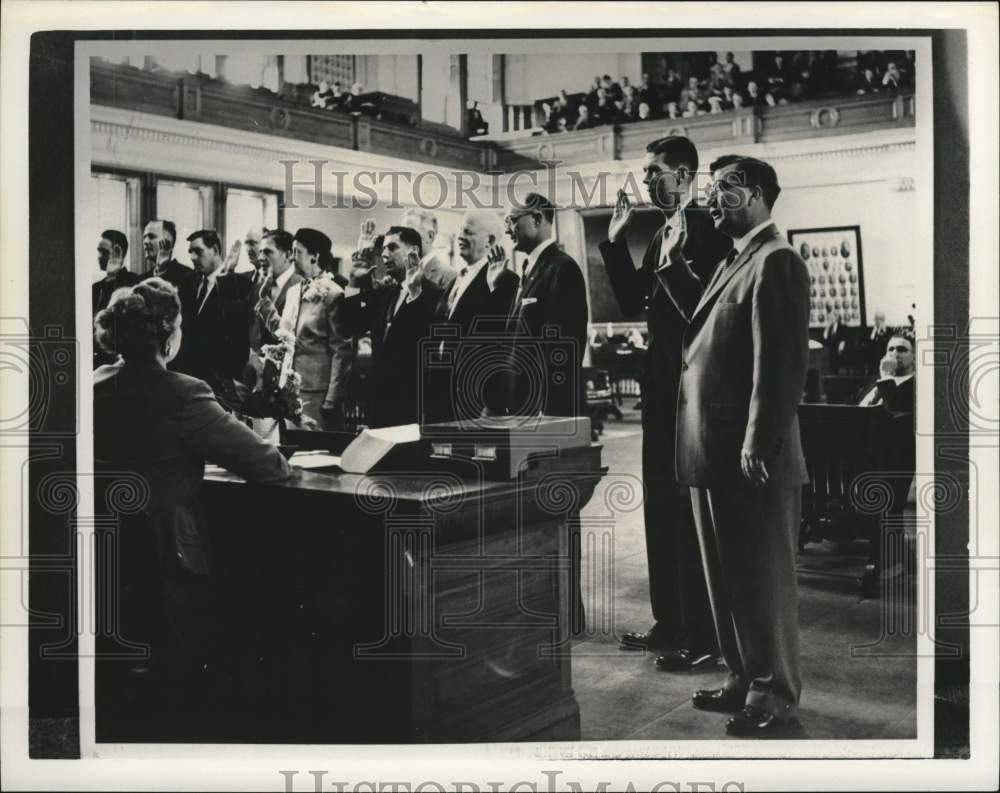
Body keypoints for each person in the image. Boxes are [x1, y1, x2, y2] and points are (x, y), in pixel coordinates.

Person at [93, 278, 291, 728]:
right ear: (169, 334)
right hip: (170, 567)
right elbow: (269, 465)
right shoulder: (184, 393)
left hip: (103, 569)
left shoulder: (94, 385)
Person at [656, 155, 810, 736]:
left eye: (723, 189)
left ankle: (776, 697)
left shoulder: (778, 260)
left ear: (753, 196)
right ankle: (745, 677)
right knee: (727, 579)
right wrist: (671, 269)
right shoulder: (737, 259)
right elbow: (711, 327)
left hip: (749, 455)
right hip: (712, 449)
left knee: (763, 582)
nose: (711, 199)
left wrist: (759, 442)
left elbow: (782, 365)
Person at [599, 136, 730, 672]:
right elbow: (633, 303)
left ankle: (704, 633)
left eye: (656, 172)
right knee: (658, 504)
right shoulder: (659, 234)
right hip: (659, 390)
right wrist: (615, 242)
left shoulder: (708, 229)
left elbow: (709, 310)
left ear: (684, 174)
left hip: (694, 389)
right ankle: (669, 621)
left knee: (689, 511)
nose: (648, 181)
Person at [497, 192, 588, 419]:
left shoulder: (562, 268)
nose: (507, 229)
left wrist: (546, 408)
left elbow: (565, 348)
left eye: (512, 220)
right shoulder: (531, 268)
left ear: (536, 219)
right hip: (521, 404)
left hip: (543, 409)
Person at [342, 224, 442, 428]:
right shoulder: (386, 293)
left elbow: (425, 341)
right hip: (379, 401)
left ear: (413, 251)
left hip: (410, 404)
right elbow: (351, 323)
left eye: (392, 247)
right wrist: (353, 282)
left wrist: (415, 294)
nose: (384, 253)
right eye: (384, 248)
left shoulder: (433, 294)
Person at [426, 211, 519, 424]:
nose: (460, 237)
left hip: (472, 397)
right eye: (460, 231)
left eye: (468, 232)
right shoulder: (455, 280)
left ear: (490, 241)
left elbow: (501, 340)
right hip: (439, 392)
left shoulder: (506, 280)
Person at [265, 228, 353, 430]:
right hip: (290, 392)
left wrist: (332, 398)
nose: (292, 257)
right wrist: (264, 304)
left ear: (315, 257)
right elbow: (285, 334)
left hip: (318, 395)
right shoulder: (293, 291)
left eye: (297, 252)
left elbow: (342, 350)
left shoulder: (334, 294)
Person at [171, 230, 249, 400]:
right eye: (190, 252)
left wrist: (226, 277)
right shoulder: (188, 281)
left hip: (220, 382)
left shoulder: (238, 283)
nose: (192, 257)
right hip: (188, 377)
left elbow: (236, 329)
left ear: (215, 249)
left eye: (198, 251)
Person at [401, 208, 458, 292]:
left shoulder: (449, 276)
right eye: (402, 235)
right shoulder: (401, 273)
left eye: (410, 233)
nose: (403, 240)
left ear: (430, 236)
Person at [94, 229, 140, 315]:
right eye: (99, 251)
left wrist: (113, 277)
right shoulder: (95, 287)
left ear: (119, 254)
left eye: (104, 252)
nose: (99, 256)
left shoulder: (134, 282)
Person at [141, 220, 194, 293]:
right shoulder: (142, 279)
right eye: (144, 237)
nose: (145, 242)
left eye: (151, 236)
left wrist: (161, 269)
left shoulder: (188, 276)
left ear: (168, 242)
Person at [864, 310, 891, 376]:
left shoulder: (887, 330)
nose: (876, 321)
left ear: (882, 320)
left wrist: (882, 331)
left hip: (882, 353)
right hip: (872, 353)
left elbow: (887, 342)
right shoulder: (871, 329)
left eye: (878, 319)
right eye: (875, 319)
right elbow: (869, 340)